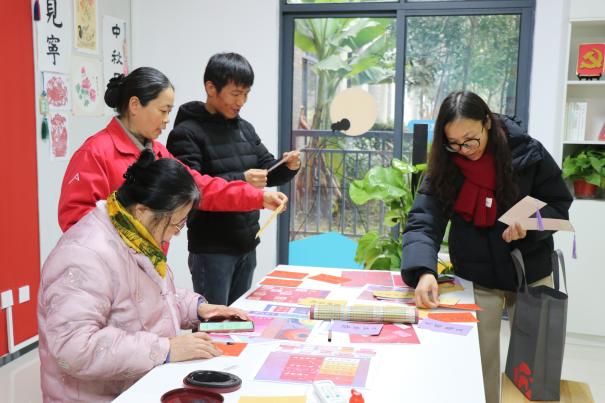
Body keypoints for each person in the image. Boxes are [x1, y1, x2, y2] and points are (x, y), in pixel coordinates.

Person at [400, 91, 572, 403]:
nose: (464, 150)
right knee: (477, 369)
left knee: (534, 372)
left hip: (530, 274)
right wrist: (424, 271)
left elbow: (559, 204)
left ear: (487, 123)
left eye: (470, 140)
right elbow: (424, 219)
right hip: (476, 277)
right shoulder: (446, 165)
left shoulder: (528, 153)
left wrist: (531, 225)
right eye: (454, 143)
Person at [39, 150, 250, 402]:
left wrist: (196, 308)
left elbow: (150, 296)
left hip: (138, 385)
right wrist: (165, 349)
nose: (175, 233)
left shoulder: (132, 234)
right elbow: (74, 348)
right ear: (142, 211)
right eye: (175, 223)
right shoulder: (83, 254)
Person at [58, 66, 287, 233]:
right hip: (112, 271)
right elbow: (75, 220)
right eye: (163, 110)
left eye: (169, 111)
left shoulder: (158, 153)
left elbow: (200, 187)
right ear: (135, 105)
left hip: (151, 267)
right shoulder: (95, 153)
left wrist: (258, 197)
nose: (167, 119)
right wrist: (132, 234)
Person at [166, 53, 300, 305]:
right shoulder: (186, 133)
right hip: (212, 249)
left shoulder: (244, 128)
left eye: (246, 94)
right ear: (211, 88)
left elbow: (267, 169)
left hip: (246, 244)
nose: (241, 102)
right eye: (236, 94)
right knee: (215, 321)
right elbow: (191, 189)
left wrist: (290, 166)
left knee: (237, 319)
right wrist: (243, 179)